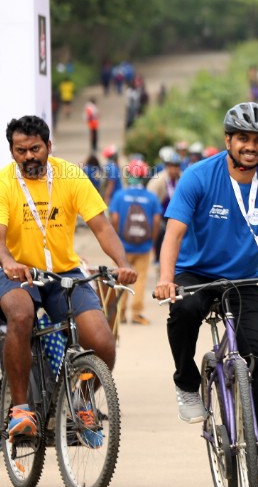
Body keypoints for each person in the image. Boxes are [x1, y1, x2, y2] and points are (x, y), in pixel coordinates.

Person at [154, 102, 258, 487]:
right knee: (183, 309)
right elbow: (173, 234)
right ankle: (186, 382)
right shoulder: (200, 175)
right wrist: (167, 278)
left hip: (243, 280)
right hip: (197, 272)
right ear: (228, 140)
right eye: (243, 139)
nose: (251, 146)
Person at [1, 116, 137, 441]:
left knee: (102, 342)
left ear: (49, 146)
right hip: (18, 272)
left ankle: (82, 398)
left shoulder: (71, 176)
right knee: (20, 315)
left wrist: (122, 263)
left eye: (35, 149)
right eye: (21, 151)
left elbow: (101, 227)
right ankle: (20, 411)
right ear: (12, 151)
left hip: (63, 273)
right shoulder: (5, 182)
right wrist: (7, 262)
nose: (29, 156)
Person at [108, 159, 161, 325]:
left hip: (122, 247)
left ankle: (119, 313)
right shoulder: (151, 198)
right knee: (140, 280)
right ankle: (137, 313)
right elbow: (157, 220)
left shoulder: (119, 196)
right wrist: (151, 239)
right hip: (143, 247)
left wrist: (116, 238)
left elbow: (114, 218)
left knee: (120, 280)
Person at [149, 146, 183, 269]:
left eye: (176, 166)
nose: (174, 170)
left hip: (179, 217)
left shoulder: (184, 178)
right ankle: (158, 258)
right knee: (160, 233)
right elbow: (151, 200)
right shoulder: (158, 180)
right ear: (167, 166)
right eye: (171, 166)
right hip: (162, 217)